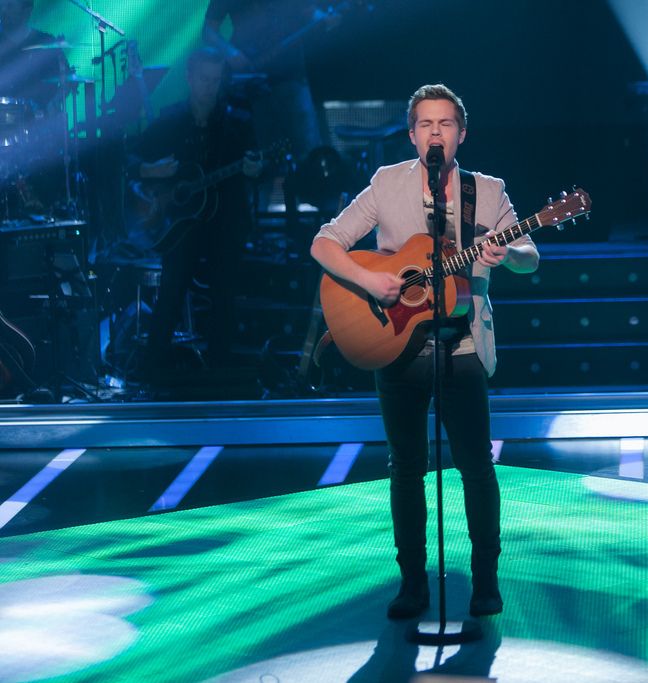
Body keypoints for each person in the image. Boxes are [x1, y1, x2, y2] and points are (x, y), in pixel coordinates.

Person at [310, 84, 539, 619]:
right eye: (426, 125)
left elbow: (530, 255)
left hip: (463, 344)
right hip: (396, 345)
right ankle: (412, 583)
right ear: (412, 135)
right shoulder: (386, 183)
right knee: (406, 467)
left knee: (476, 466)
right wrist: (370, 281)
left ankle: (485, 582)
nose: (436, 133)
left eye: (446, 124)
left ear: (462, 133)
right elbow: (324, 242)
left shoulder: (488, 191)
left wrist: (510, 253)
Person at [131, 47, 262, 375]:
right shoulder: (170, 120)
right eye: (204, 79)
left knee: (224, 293)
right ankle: (153, 370)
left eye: (216, 80)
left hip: (225, 220)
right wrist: (150, 170)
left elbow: (258, 163)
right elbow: (130, 157)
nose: (210, 87)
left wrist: (255, 169)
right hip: (181, 223)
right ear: (189, 78)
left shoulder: (237, 122)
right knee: (172, 288)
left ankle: (219, 371)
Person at [202, 0, 335, 163]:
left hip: (290, 76)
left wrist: (325, 18)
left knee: (308, 152)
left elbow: (308, 10)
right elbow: (208, 30)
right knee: (261, 154)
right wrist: (230, 52)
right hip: (250, 82)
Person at [0, 0, 68, 110]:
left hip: (42, 116)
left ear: (27, 11)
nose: (3, 11)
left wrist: (54, 104)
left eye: (9, 6)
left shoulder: (45, 42)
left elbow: (67, 80)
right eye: (1, 6)